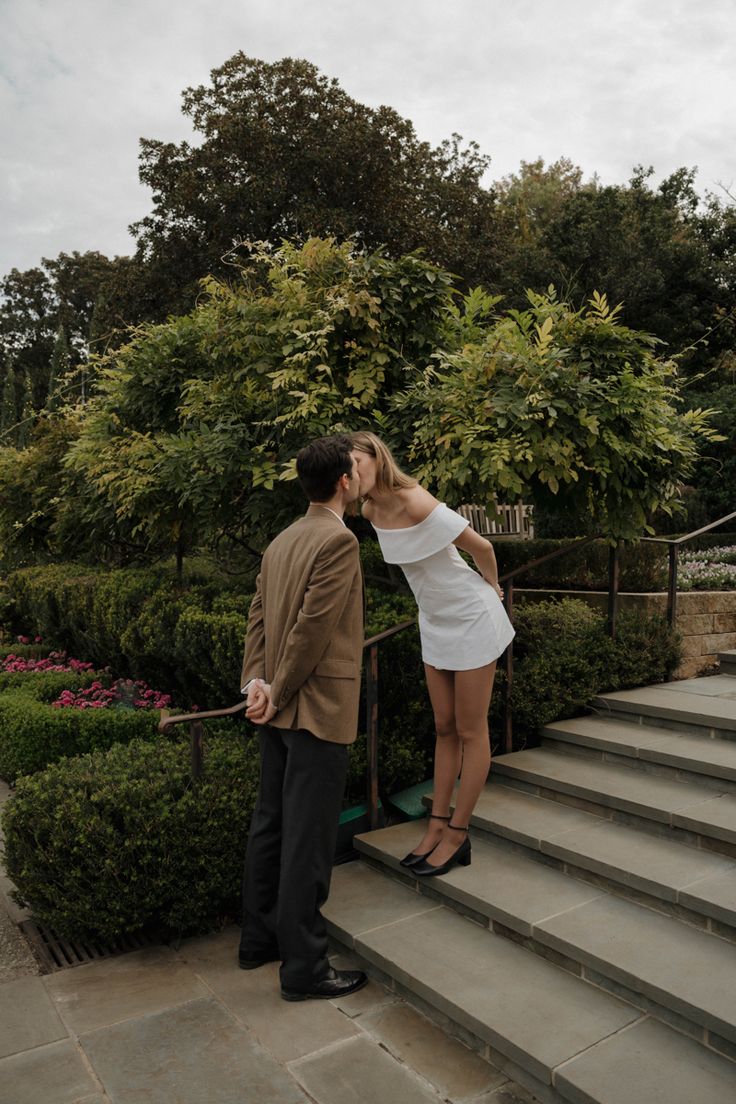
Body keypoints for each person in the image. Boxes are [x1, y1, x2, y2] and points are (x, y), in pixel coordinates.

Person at [238, 434, 368, 1001]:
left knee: (272, 825)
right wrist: (279, 689)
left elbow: (258, 620)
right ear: (344, 481)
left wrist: (256, 685)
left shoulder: (281, 540)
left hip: (278, 707)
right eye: (356, 472)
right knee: (307, 839)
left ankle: (258, 941)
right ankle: (304, 969)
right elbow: (312, 631)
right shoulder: (338, 541)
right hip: (314, 709)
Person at [350, 431, 514, 877]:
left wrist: (493, 589)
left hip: (472, 616)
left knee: (469, 729)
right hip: (435, 622)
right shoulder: (368, 510)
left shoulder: (416, 500)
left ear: (376, 458)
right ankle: (436, 824)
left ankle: (459, 834)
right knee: (443, 727)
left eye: (356, 464)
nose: (351, 473)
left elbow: (483, 547)